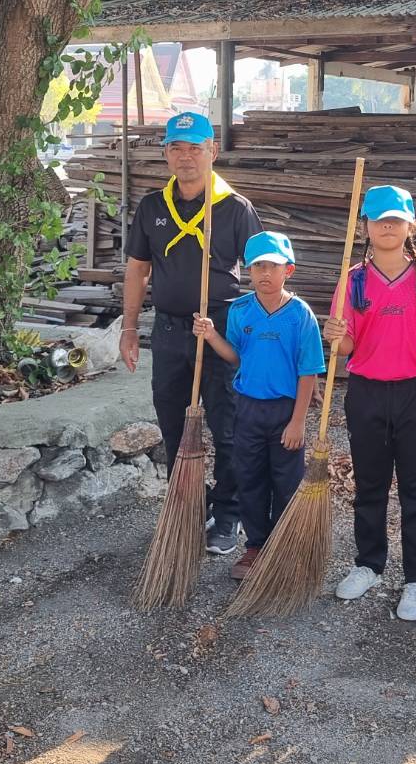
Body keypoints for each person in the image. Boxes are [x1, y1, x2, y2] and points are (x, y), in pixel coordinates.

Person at [120, 111, 263, 556]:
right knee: (173, 422)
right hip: (167, 330)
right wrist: (129, 328)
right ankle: (189, 503)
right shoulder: (152, 207)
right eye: (177, 148)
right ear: (166, 153)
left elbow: (263, 273)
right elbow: (137, 270)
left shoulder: (234, 208)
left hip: (219, 330)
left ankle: (228, 513)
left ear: (212, 152)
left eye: (195, 149)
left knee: (227, 426)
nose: (186, 157)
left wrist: (263, 337)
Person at [323, 184, 416, 622]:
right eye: (379, 220)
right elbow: (347, 347)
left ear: (410, 226)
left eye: (396, 220)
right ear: (366, 226)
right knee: (370, 484)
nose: (387, 227)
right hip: (367, 392)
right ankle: (369, 563)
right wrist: (335, 336)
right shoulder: (353, 280)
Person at [192, 231, 325, 580]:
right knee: (250, 478)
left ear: (288, 270)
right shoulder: (240, 311)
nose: (265, 273)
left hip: (285, 410)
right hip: (248, 408)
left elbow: (308, 370)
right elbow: (237, 357)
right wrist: (211, 336)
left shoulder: (300, 315)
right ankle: (256, 546)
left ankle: (283, 546)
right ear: (248, 270)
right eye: (258, 266)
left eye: (273, 266)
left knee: (286, 481)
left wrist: (298, 422)